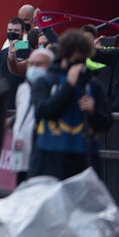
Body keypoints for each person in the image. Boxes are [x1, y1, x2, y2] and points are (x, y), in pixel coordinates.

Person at [30, 28, 113, 180]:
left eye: (83, 59)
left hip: (84, 158)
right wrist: (68, 85)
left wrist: (94, 110)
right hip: (51, 159)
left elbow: (106, 123)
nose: (79, 64)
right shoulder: (46, 81)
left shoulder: (92, 84)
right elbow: (44, 111)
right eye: (75, 59)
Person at [11, 47, 53, 182]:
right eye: (31, 64)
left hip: (42, 154)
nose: (34, 68)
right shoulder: (22, 88)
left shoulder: (53, 88)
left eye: (39, 64)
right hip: (21, 150)